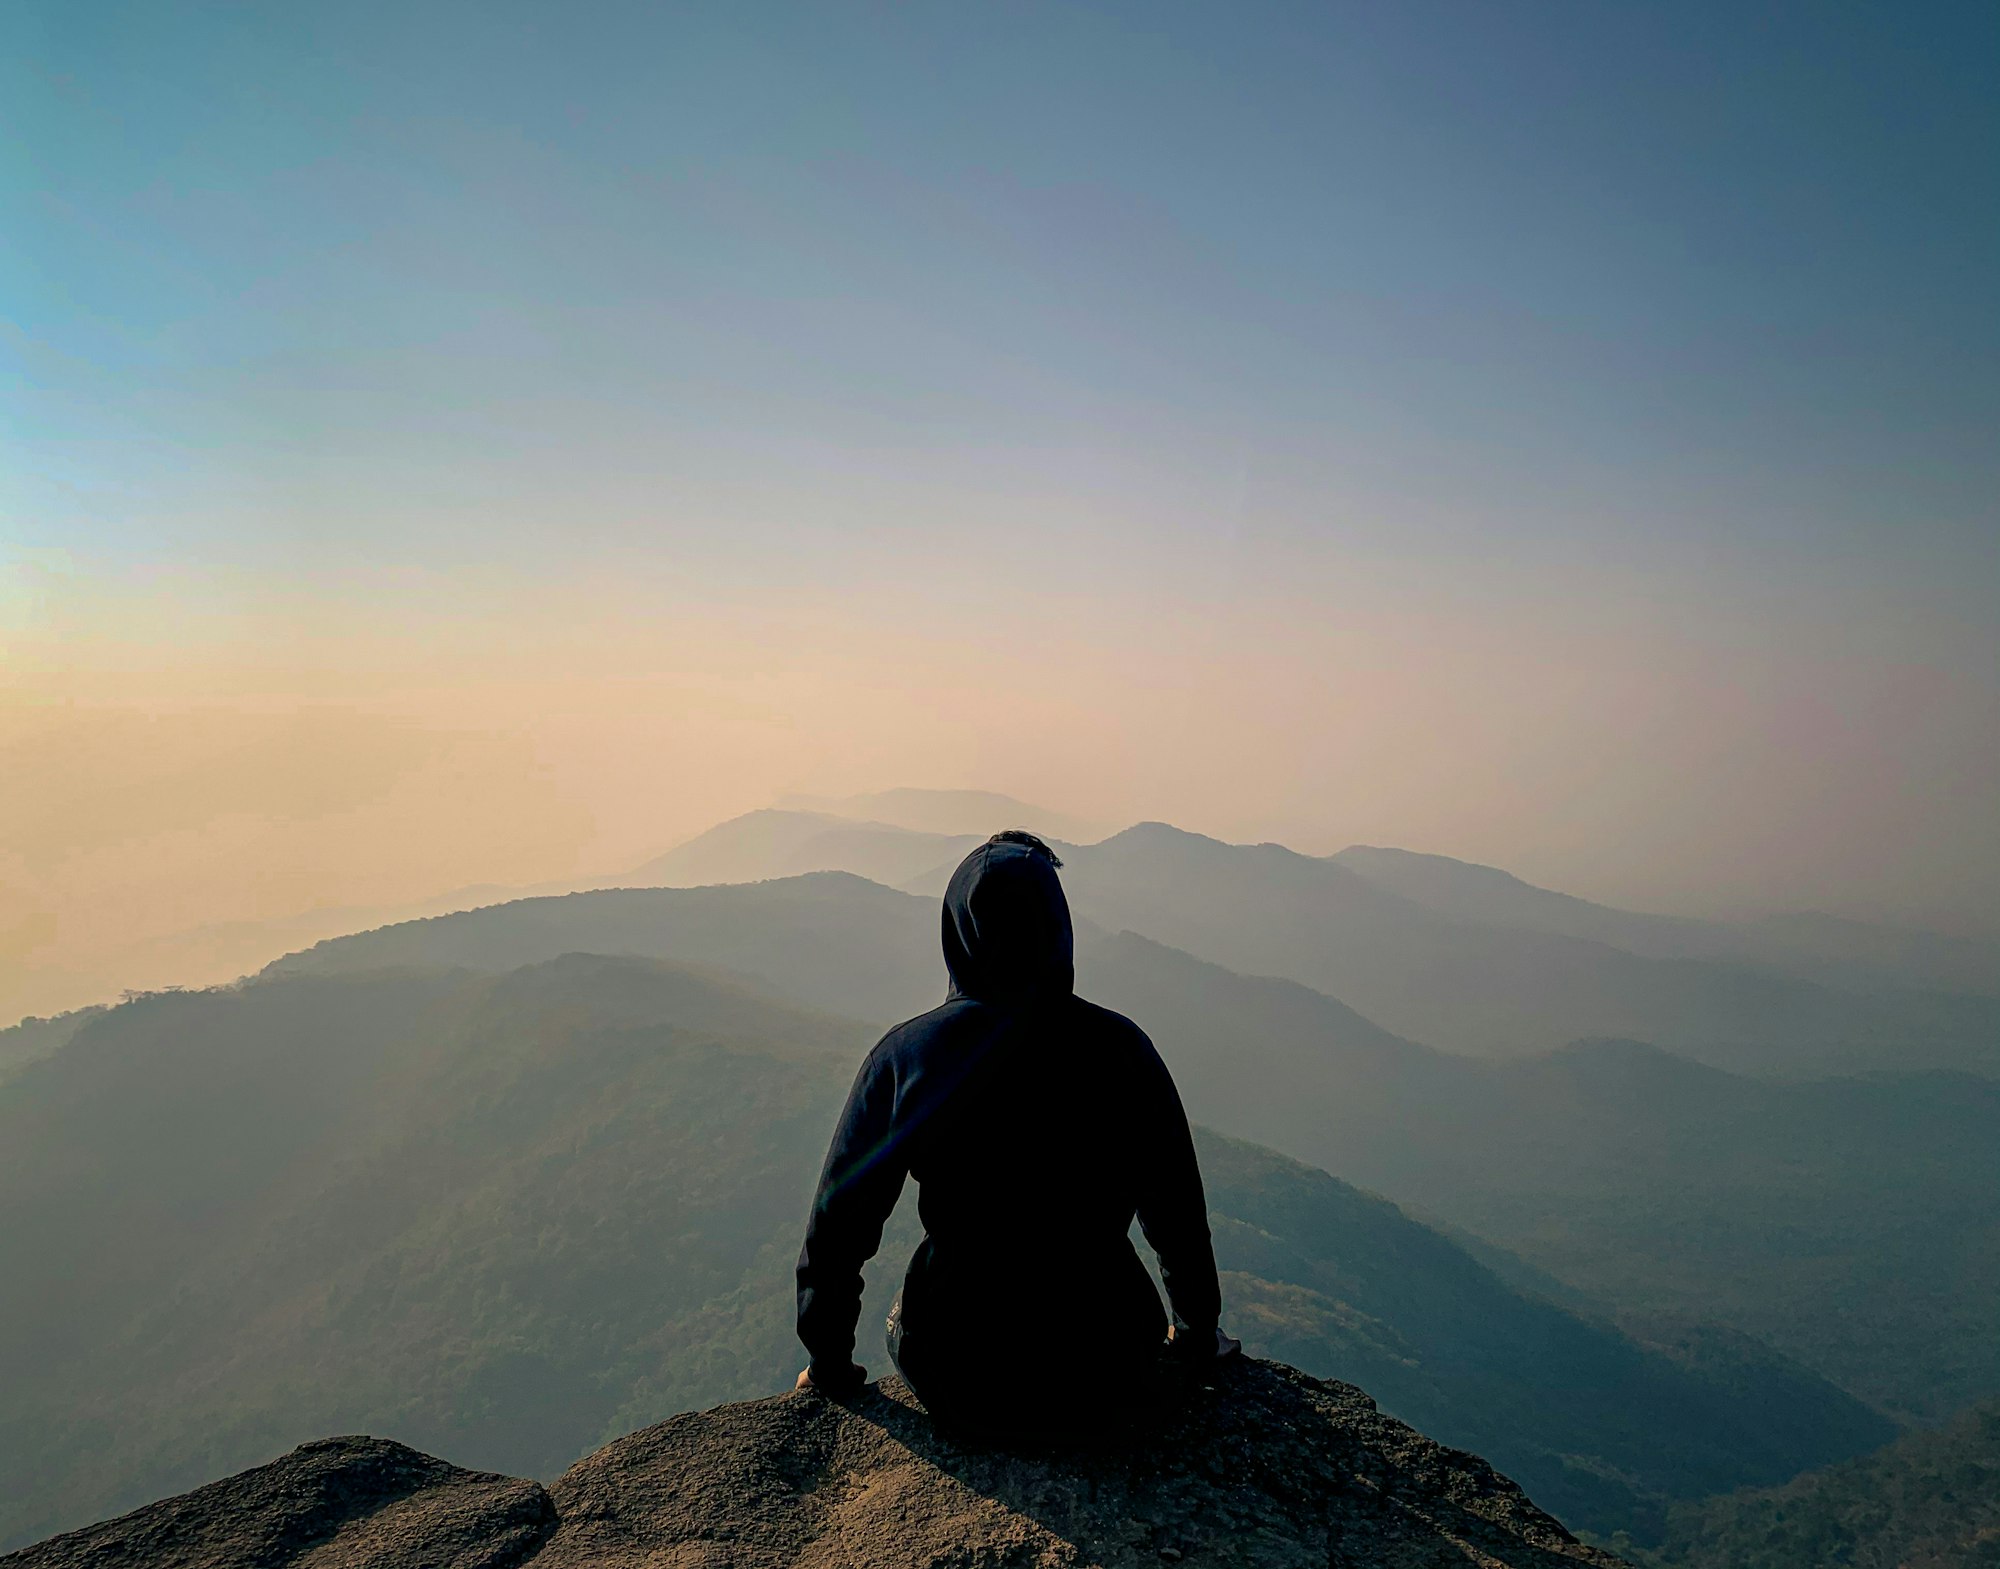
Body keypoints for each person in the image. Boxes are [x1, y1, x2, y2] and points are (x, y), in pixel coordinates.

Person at [794, 829, 1237, 1440]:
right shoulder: (1122, 1050)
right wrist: (1193, 1335)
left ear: (957, 929)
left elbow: (839, 1228)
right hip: (1110, 1370)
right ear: (1056, 925)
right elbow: (1178, 1215)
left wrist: (828, 1363)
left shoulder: (905, 1058)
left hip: (962, 1376)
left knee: (911, 1318)